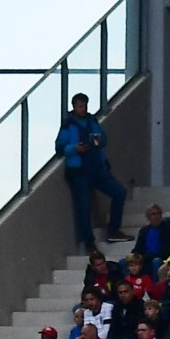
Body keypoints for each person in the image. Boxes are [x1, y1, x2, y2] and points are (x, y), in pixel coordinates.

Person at [55, 92, 126, 252]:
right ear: (74, 107)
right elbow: (59, 147)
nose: (83, 109)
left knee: (119, 192)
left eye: (85, 105)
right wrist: (75, 148)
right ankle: (89, 243)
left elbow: (104, 139)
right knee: (84, 207)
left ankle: (113, 229)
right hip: (79, 172)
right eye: (80, 106)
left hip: (97, 168)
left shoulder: (92, 120)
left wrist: (99, 140)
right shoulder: (68, 124)